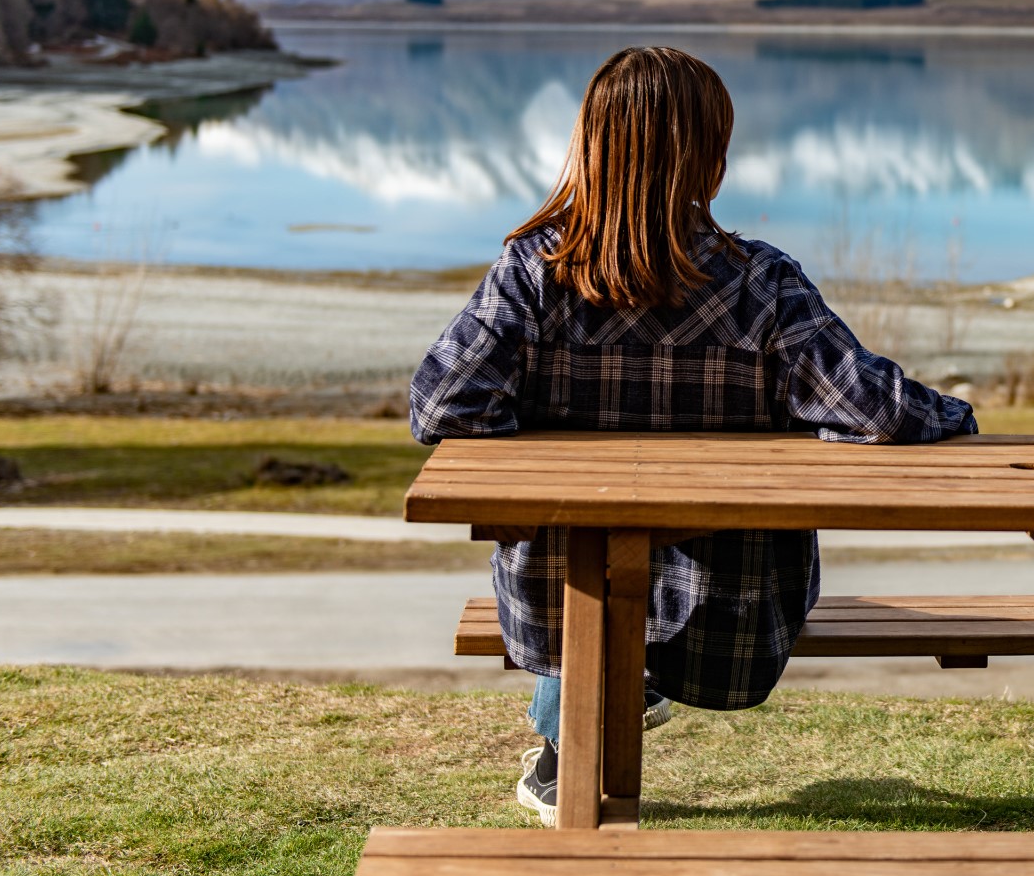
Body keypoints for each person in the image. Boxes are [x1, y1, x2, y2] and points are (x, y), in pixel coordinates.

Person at [409, 45, 977, 824]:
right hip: (730, 625)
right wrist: (955, 413)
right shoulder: (760, 284)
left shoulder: (532, 274)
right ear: (706, 156)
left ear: (590, 147)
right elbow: (876, 412)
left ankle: (571, 736)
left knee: (596, 566)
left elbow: (440, 405)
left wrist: (530, 439)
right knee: (628, 569)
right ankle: (606, 702)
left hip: (554, 611)